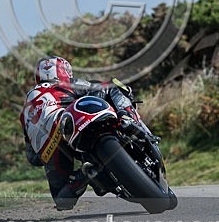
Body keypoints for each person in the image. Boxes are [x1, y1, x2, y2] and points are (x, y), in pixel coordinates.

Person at [19, 56, 138, 211]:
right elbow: (100, 87)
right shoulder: (66, 84)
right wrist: (124, 93)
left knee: (61, 199)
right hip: (72, 121)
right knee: (112, 85)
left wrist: (45, 155)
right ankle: (127, 117)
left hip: (51, 149)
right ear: (64, 71)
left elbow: (32, 158)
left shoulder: (25, 111)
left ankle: (85, 174)